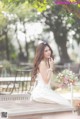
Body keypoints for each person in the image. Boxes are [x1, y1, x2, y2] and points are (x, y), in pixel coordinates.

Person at [30, 42, 71, 106]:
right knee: (63, 102)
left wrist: (58, 85)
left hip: (46, 91)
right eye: (46, 51)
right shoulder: (42, 63)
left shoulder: (47, 62)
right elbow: (46, 81)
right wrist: (51, 67)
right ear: (41, 53)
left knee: (65, 101)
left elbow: (49, 81)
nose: (49, 52)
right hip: (41, 93)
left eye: (49, 50)